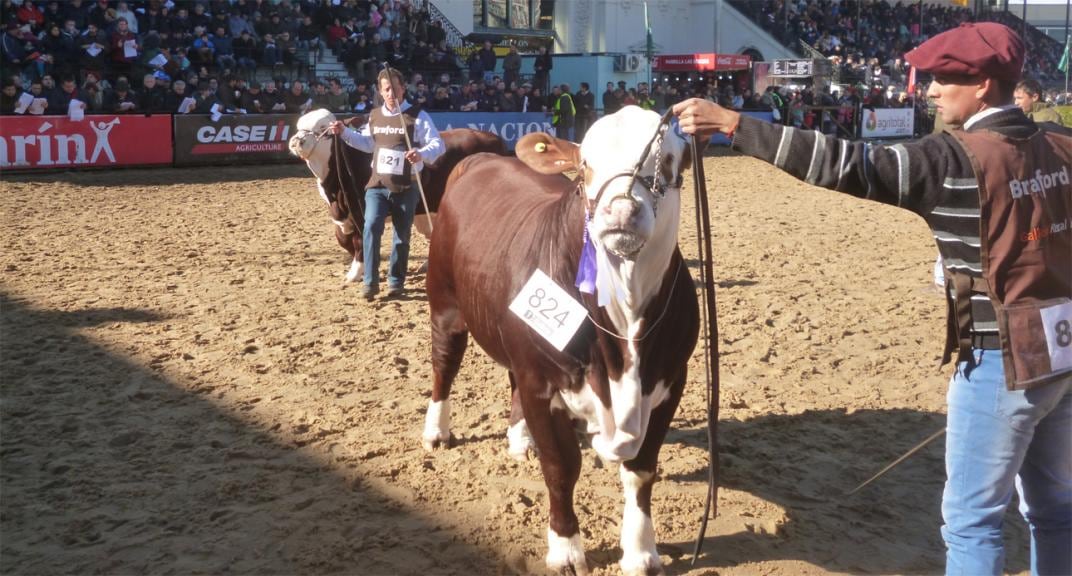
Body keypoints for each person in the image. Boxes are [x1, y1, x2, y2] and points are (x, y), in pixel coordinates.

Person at [673, 22, 1071, 576]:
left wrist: (738, 126)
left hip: (1000, 355)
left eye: (941, 79)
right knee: (1055, 511)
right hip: (1063, 346)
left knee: (971, 522)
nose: (930, 90)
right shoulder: (1062, 145)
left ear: (981, 84)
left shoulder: (955, 159)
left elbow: (849, 164)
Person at [328, 68, 445, 300]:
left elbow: (437, 145)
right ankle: (370, 283)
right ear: (381, 92)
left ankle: (396, 282)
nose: (391, 93)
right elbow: (367, 143)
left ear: (403, 88)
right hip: (377, 184)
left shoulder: (417, 115)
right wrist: (343, 133)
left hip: (407, 185)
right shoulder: (374, 115)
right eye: (386, 89)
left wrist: (420, 154)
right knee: (371, 227)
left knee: (402, 235)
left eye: (395, 88)